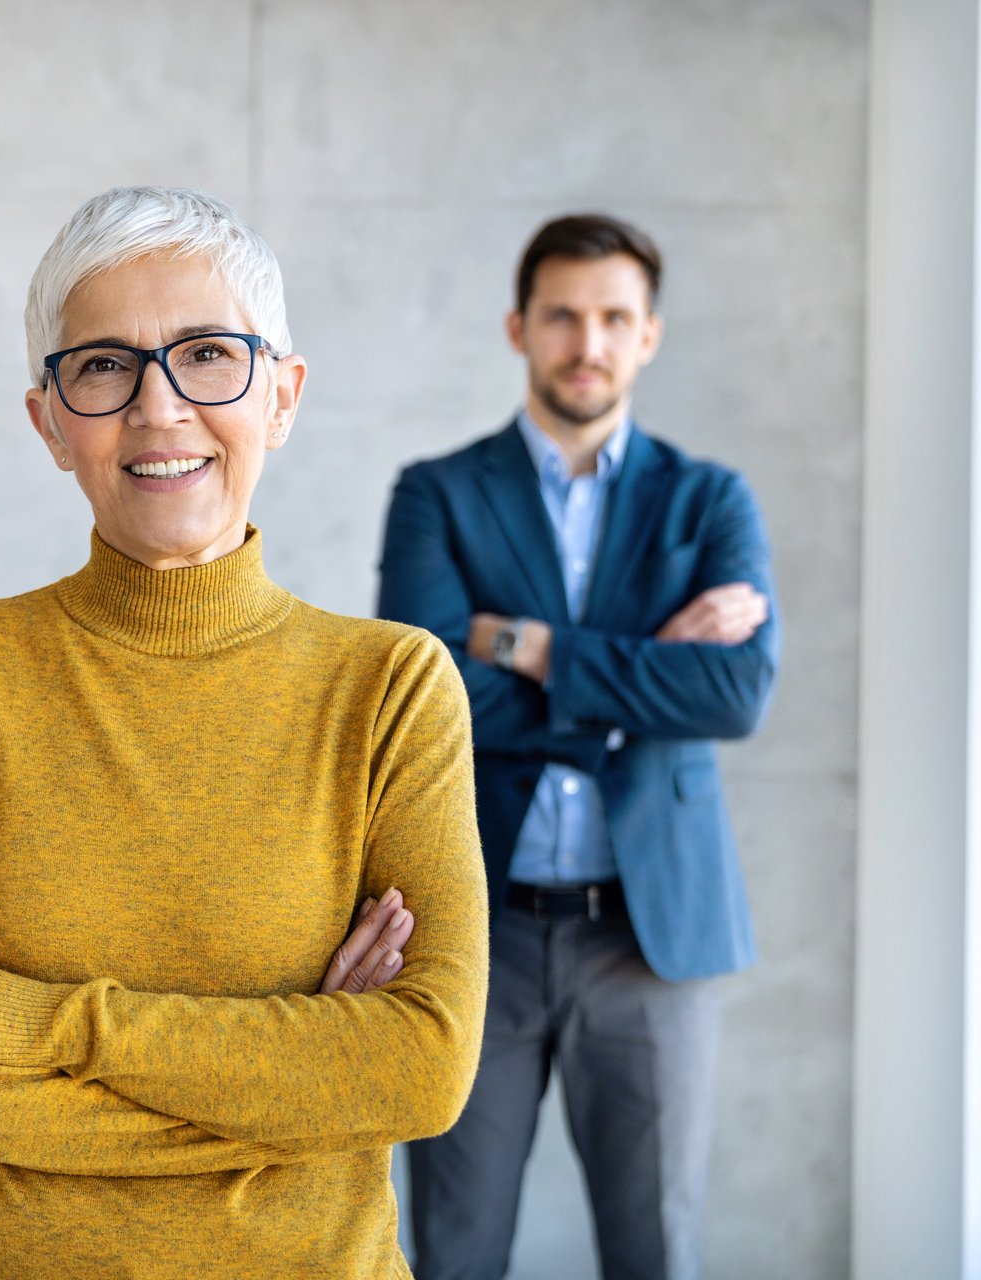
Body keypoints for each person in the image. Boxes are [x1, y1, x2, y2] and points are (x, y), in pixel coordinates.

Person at [0, 186, 488, 1279]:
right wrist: (297, 1084)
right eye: (103, 366)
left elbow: (420, 1068)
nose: (159, 407)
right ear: (48, 420)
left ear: (281, 395)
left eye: (208, 356)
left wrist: (10, 1014)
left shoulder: (390, 687)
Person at [378, 214, 779, 1280]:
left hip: (653, 936)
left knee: (656, 1250)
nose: (585, 341)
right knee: (454, 1250)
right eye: (562, 314)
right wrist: (645, 670)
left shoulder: (710, 500)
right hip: (479, 927)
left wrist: (536, 647)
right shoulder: (437, 493)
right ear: (520, 327)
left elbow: (735, 690)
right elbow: (431, 701)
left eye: (613, 317)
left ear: (649, 335)